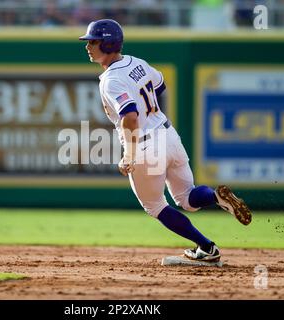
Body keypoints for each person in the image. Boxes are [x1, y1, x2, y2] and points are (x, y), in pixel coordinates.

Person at [79, 19, 252, 262]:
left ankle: (207, 248)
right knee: (188, 199)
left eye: (93, 41)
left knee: (156, 206)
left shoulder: (111, 80)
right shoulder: (136, 62)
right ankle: (215, 197)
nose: (87, 47)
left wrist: (129, 153)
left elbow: (129, 117)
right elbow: (159, 86)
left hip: (145, 146)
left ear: (108, 43)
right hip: (168, 134)